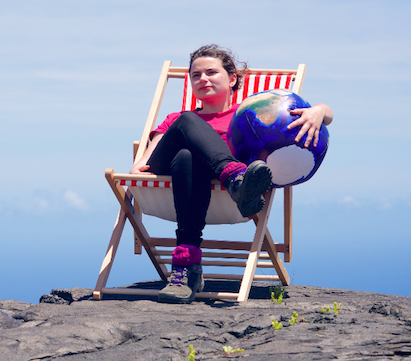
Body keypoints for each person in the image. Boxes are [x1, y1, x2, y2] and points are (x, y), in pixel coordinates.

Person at [130, 44, 334, 304]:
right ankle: (235, 178)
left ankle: (186, 268)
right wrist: (140, 164)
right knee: (186, 124)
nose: (202, 79)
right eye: (195, 75)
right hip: (173, 177)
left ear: (233, 78)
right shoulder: (177, 119)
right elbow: (151, 153)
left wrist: (319, 110)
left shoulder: (248, 118)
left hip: (209, 187)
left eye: (211, 72)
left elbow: (325, 115)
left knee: (187, 156)